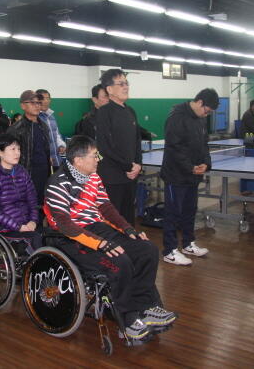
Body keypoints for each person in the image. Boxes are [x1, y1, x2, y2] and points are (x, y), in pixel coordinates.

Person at [44, 135, 175, 344]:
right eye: (94, 155)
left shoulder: (94, 177)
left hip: (97, 228)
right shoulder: (57, 183)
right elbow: (65, 224)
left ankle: (147, 307)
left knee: (147, 250)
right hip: (70, 237)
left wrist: (128, 229)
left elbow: (106, 208)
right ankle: (128, 320)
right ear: (78, 160)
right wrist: (101, 244)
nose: (98, 159)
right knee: (119, 261)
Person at [161, 88, 219, 266]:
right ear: (200, 102)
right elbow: (174, 148)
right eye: (206, 110)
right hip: (176, 175)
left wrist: (206, 164)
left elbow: (204, 145)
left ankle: (187, 244)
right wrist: (190, 167)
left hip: (193, 176)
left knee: (189, 210)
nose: (206, 115)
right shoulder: (176, 117)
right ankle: (169, 251)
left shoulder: (200, 119)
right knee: (173, 213)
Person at [95, 69, 142, 225]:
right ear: (109, 89)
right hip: (112, 178)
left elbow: (137, 142)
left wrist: (138, 165)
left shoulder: (131, 111)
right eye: (121, 84)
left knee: (129, 220)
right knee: (114, 222)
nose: (126, 87)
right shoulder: (104, 112)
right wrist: (128, 166)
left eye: (126, 83)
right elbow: (104, 148)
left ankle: (130, 241)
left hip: (131, 176)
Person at [0, 133, 42, 251]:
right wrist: (18, 227)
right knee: (36, 239)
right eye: (13, 149)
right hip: (5, 229)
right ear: (0, 152)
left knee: (50, 236)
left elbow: (32, 200)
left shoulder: (22, 171)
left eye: (19, 149)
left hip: (27, 225)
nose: (17, 153)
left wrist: (33, 221)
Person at [7, 90, 51, 207]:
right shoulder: (16, 129)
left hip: (44, 173)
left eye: (38, 103)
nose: (37, 105)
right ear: (23, 106)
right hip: (26, 175)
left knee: (42, 205)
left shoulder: (44, 126)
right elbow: (9, 158)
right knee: (28, 207)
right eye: (32, 103)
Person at [36, 89, 66, 171]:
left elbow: (57, 134)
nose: (46, 101)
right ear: (37, 100)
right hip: (44, 162)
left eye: (48, 98)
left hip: (57, 160)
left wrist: (61, 145)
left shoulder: (52, 117)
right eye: (43, 98)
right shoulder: (35, 118)